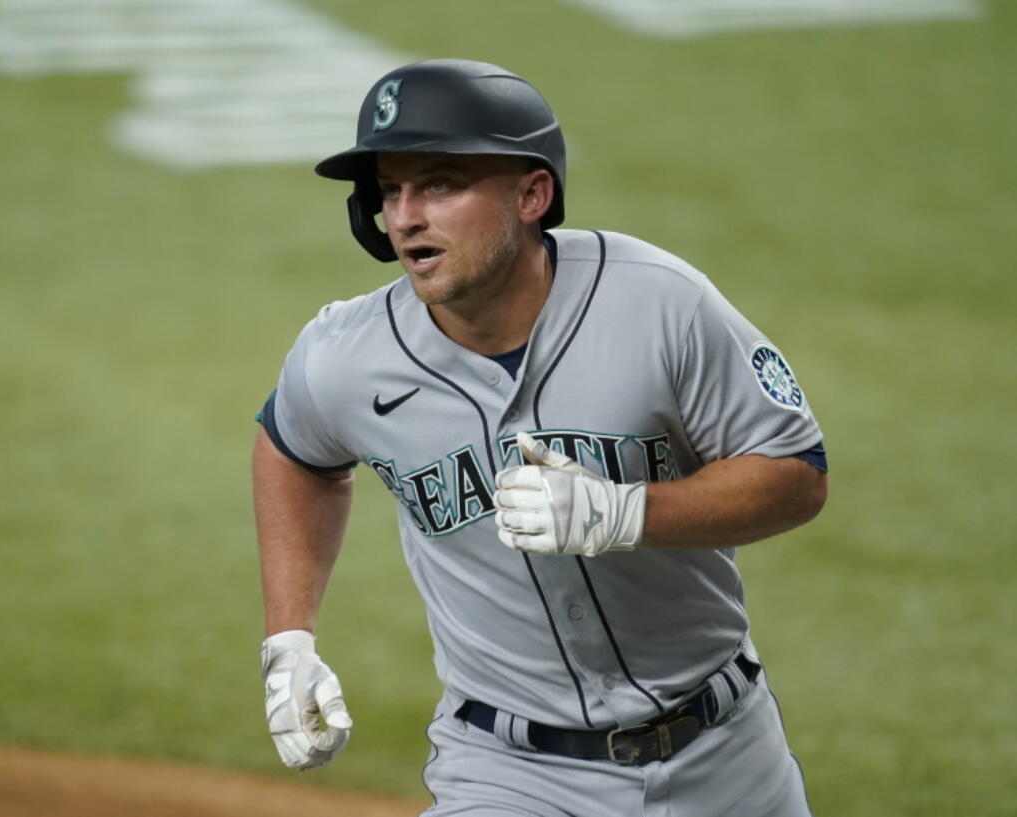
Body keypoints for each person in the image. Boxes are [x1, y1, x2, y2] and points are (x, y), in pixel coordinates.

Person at [253, 58, 828, 817]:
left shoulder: (662, 304)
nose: (405, 216)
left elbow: (797, 472)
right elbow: (293, 451)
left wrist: (625, 513)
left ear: (532, 193)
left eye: (440, 184)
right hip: (508, 773)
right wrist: (289, 641)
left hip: (728, 759)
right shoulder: (345, 356)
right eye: (389, 190)